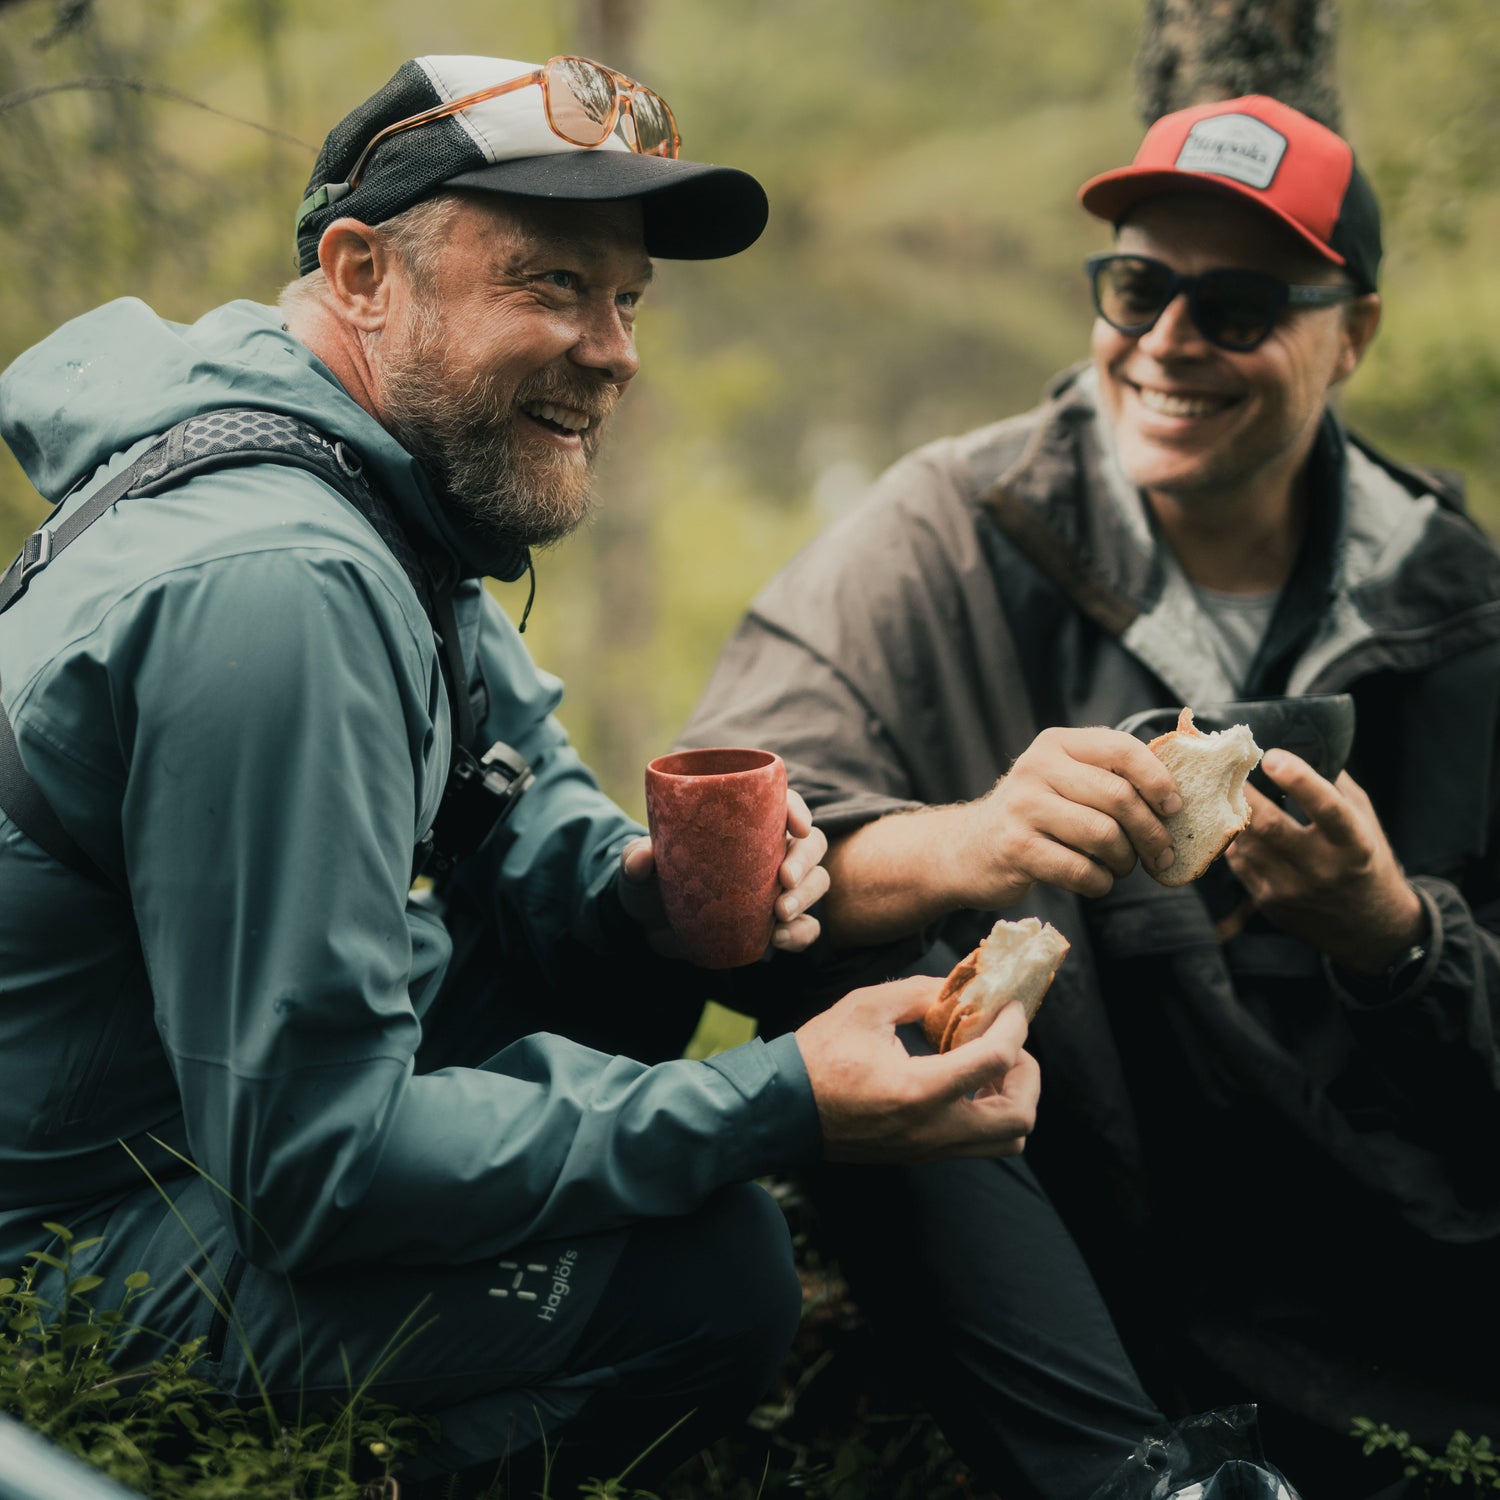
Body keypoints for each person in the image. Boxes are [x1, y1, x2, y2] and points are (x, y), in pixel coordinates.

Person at [0, 53, 1050, 1498]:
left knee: (624, 975)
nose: (615, 349)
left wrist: (639, 896)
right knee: (713, 1278)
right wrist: (779, 1098)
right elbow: (319, 1161)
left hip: (187, 1117)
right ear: (363, 273)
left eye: (626, 300)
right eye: (552, 285)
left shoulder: (377, 481)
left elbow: (515, 790)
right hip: (61, 1239)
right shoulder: (280, 583)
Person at [680, 94, 1500, 1498]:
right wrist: (969, 844)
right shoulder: (945, 528)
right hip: (1071, 1199)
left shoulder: (1463, 611)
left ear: (1351, 335)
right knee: (889, 957)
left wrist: (1394, 939)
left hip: (1377, 1243)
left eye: (1238, 306)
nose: (1170, 342)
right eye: (1137, 287)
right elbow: (728, 864)